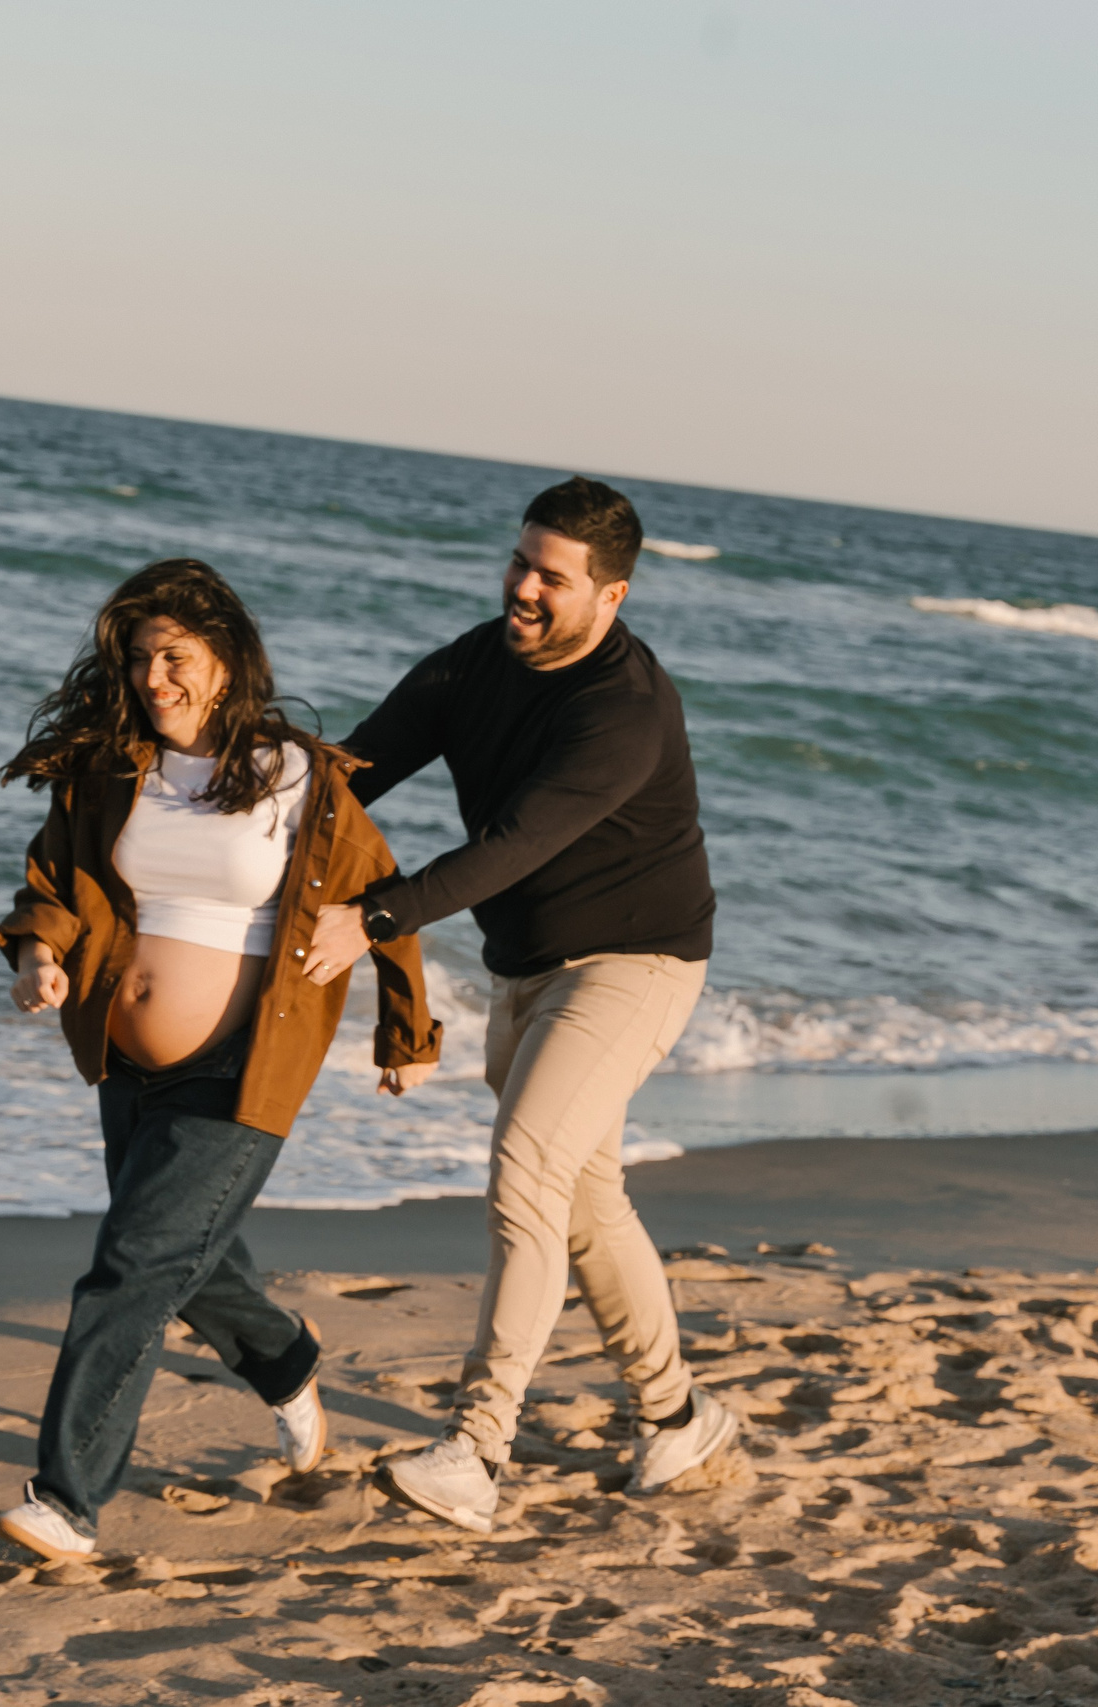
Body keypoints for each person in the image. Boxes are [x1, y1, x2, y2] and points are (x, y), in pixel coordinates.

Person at [301, 476, 734, 1533]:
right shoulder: (473, 659)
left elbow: (507, 849)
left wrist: (369, 920)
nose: (524, 589)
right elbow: (359, 769)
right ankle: (678, 1416)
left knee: (525, 1173)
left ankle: (477, 1450)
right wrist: (250, 817)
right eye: (519, 562)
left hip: (632, 966)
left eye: (552, 576)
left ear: (611, 598)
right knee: (585, 1200)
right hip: (526, 968)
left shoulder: (621, 712)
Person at [0, 558, 442, 1562]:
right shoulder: (115, 768)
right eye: (141, 658)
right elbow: (57, 875)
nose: (155, 678)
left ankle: (67, 1501)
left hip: (241, 1071)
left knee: (130, 1271)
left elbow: (383, 904)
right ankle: (282, 1358)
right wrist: (38, 953)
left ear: (227, 663)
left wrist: (404, 1036)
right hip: (125, 1057)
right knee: (179, 1265)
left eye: (176, 657)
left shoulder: (295, 778)